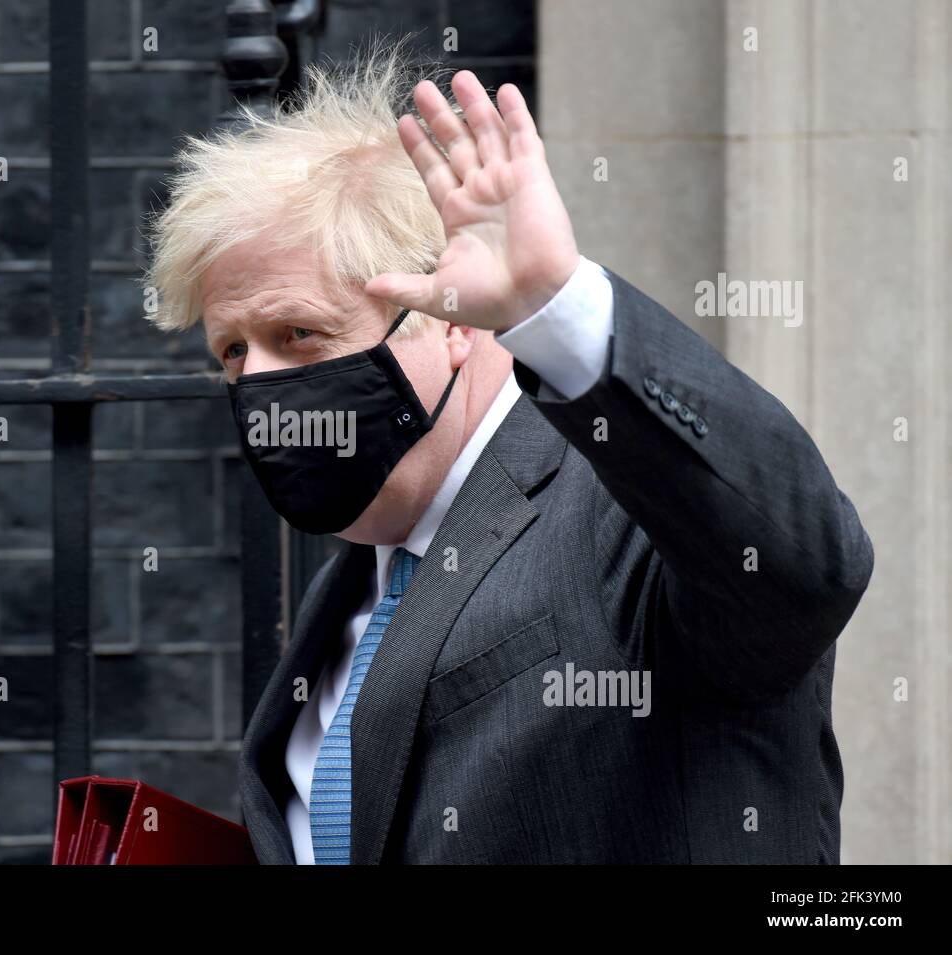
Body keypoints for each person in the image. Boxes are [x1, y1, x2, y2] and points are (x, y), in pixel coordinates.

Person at [144, 45, 873, 864]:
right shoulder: (352, 586)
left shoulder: (628, 514)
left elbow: (805, 564)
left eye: (298, 333)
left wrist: (558, 308)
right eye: (233, 352)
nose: (261, 390)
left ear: (453, 318)